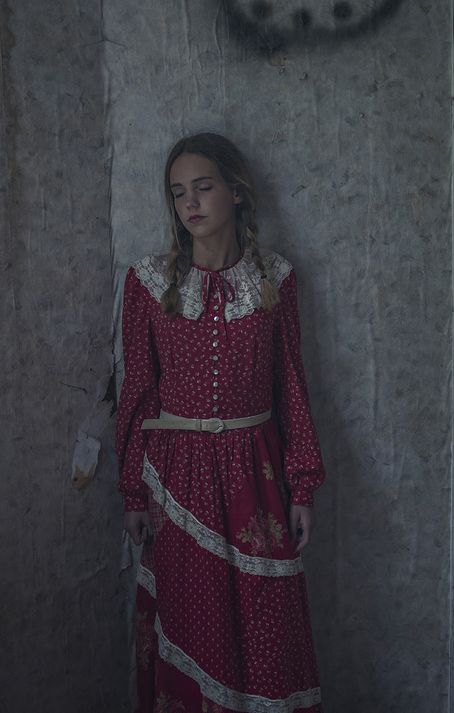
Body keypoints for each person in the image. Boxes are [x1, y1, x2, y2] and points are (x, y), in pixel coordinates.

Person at [115, 132, 325, 713]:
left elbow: (291, 385)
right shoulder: (148, 282)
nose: (190, 202)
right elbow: (138, 391)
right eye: (178, 192)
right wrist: (133, 492)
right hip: (175, 480)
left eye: (203, 187)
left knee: (264, 620)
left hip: (255, 474)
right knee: (192, 620)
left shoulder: (275, 278)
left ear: (235, 192)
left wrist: (303, 486)